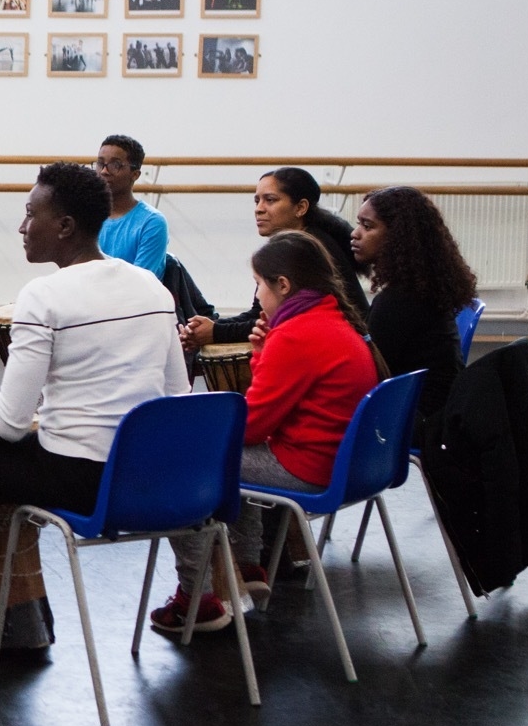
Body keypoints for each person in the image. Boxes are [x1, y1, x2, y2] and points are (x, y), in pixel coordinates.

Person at [0, 162, 189, 630]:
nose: (22, 226)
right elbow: (179, 396)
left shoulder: (44, 295)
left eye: (32, 214)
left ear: (65, 226)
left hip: (81, 480)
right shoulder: (151, 287)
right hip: (149, 475)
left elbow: (8, 425)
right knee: (24, 445)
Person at [152, 232, 381, 634]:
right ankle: (246, 564)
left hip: (311, 469)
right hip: (352, 467)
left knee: (190, 465)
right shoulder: (332, 320)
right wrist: (262, 355)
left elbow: (254, 425)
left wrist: (200, 435)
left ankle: (197, 599)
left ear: (283, 285)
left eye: (258, 284)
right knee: (233, 457)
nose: (257, 295)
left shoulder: (296, 335)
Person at [181, 166, 368, 351]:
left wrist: (216, 332)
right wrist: (212, 326)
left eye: (270, 200)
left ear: (301, 208)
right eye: (257, 201)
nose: (259, 209)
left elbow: (281, 320)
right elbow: (259, 313)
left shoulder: (307, 249)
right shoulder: (287, 246)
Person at [351, 185, 476, 440]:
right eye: (358, 224)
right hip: (437, 411)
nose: (355, 234)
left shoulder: (398, 302)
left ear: (397, 238)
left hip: (418, 420)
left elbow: (367, 373)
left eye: (367, 226)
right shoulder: (420, 288)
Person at [94, 135, 168, 278]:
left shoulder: (152, 222)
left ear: (135, 175)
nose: (104, 171)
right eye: (100, 163)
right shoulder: (86, 215)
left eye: (115, 165)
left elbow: (138, 282)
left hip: (131, 292)